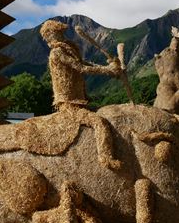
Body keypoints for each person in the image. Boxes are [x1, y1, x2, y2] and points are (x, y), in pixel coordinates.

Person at [40, 20, 122, 169]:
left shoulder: (67, 49)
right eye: (57, 33)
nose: (61, 35)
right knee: (99, 123)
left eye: (61, 32)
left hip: (80, 100)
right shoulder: (57, 52)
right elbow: (80, 68)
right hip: (68, 103)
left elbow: (84, 63)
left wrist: (107, 66)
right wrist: (108, 71)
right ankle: (106, 158)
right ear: (49, 35)